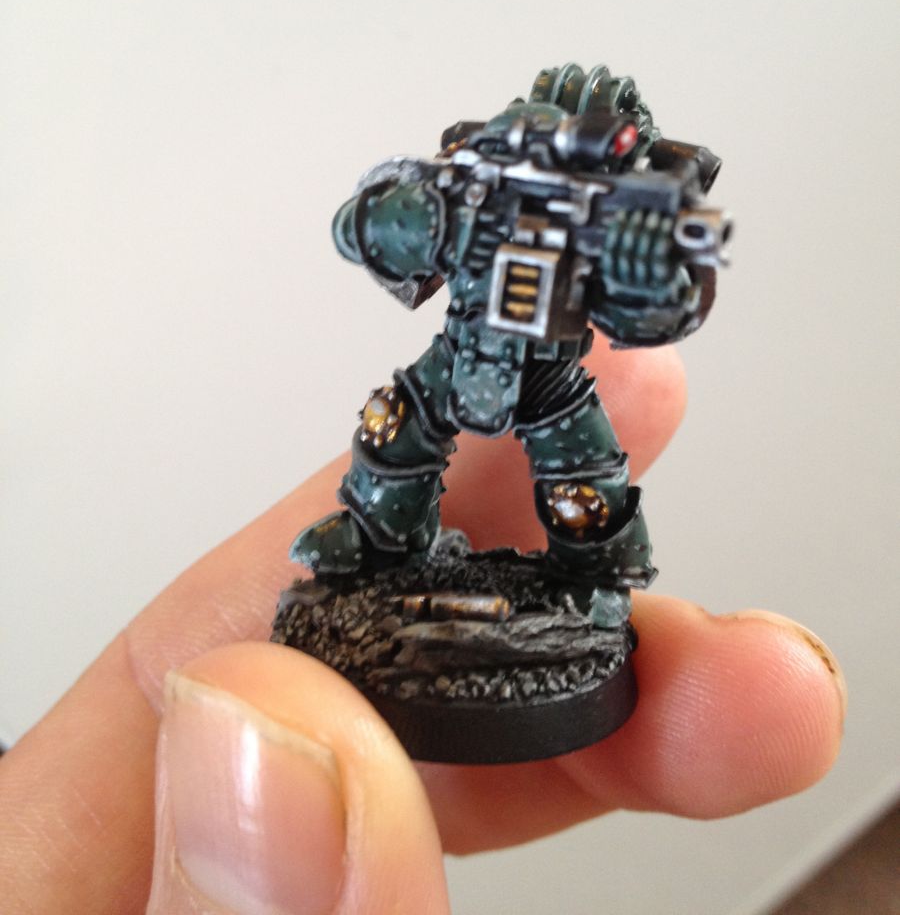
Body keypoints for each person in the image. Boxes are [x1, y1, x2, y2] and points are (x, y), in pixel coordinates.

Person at [0, 342, 845, 915]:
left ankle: (595, 573)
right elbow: (369, 231)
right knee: (392, 436)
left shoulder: (595, 211)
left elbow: (661, 295)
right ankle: (377, 540)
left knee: (584, 485)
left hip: (552, 378)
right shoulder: (472, 189)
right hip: (457, 360)